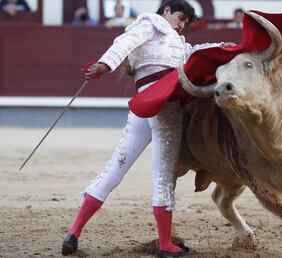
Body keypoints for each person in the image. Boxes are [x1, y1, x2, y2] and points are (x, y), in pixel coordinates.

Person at [62, 0, 232, 257]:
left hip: (143, 107)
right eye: (180, 16)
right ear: (165, 10)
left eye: (186, 21)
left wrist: (224, 47)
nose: (182, 23)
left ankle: (73, 232)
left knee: (113, 169)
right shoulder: (151, 24)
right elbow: (124, 43)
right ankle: (165, 245)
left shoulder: (177, 42)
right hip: (164, 108)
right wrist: (105, 65)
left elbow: (196, 52)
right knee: (162, 175)